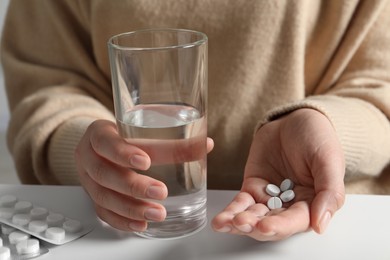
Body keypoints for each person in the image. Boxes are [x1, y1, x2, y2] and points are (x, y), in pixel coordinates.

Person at [1, 0, 390, 241]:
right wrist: (86, 150)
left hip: (331, 232)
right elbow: (46, 81)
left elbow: (381, 83)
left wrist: (326, 126)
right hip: (111, 232)